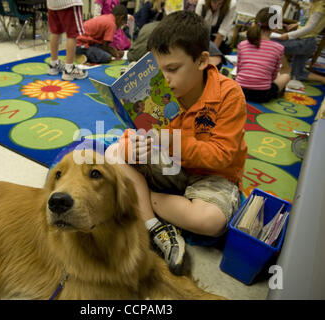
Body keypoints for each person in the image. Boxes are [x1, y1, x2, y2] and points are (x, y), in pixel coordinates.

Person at [106, 11, 247, 275]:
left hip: (213, 176)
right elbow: (134, 134)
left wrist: (170, 143)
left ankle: (144, 200)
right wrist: (131, 147)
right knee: (114, 152)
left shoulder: (229, 94)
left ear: (202, 61)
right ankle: (154, 226)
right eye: (159, 71)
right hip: (171, 168)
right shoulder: (160, 90)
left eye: (172, 69)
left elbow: (222, 156)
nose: (165, 80)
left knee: (212, 221)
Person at [236, 7, 291, 103]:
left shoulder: (242, 44)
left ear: (254, 23)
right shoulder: (278, 48)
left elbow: (239, 69)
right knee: (286, 76)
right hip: (262, 95)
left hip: (239, 91)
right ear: (275, 27)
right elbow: (273, 75)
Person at [276, 0, 325, 85]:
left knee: (274, 45)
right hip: (308, 43)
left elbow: (309, 27)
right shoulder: (315, 4)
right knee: (297, 74)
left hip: (305, 42)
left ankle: (286, 68)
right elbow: (310, 21)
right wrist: (297, 24)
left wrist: (288, 35)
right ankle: (322, 79)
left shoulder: (319, 8)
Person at [46, 0, 88, 80]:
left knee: (55, 31)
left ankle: (54, 65)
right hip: (69, 3)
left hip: (52, 3)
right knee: (72, 34)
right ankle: (69, 69)